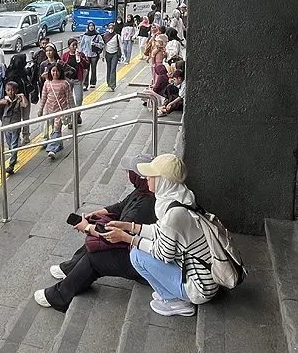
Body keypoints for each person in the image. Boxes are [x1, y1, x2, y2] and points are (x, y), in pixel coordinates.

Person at [34, 154, 160, 311]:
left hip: (144, 262)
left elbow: (115, 236)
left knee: (96, 257)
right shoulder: (143, 191)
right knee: (95, 240)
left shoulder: (146, 203)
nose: (127, 174)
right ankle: (71, 268)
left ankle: (59, 296)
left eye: (131, 172)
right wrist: (97, 214)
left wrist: (87, 227)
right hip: (138, 248)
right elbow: (121, 206)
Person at [100, 154, 218, 317]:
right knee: (140, 245)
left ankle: (175, 301)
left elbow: (164, 254)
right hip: (202, 274)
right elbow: (160, 231)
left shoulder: (174, 215)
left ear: (164, 181)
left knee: (136, 255)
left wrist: (127, 238)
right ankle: (171, 291)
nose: (147, 178)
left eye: (152, 175)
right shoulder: (181, 198)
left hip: (199, 287)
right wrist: (129, 227)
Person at [0, 80, 29, 175]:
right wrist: (2, 102)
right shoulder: (4, 99)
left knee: (14, 144)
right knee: (9, 143)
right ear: (6, 90)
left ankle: (11, 165)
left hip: (15, 124)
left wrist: (22, 96)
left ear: (16, 90)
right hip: (6, 124)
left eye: (13, 90)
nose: (11, 92)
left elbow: (25, 105)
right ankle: (13, 156)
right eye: (8, 90)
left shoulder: (18, 99)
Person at [39, 64, 75, 159]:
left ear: (61, 72)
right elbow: (44, 97)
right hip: (49, 110)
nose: (55, 73)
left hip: (60, 111)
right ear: (50, 72)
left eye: (57, 71)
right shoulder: (47, 83)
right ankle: (59, 144)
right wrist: (41, 109)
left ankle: (52, 149)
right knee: (54, 129)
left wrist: (73, 110)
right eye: (53, 71)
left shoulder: (64, 83)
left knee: (56, 129)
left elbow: (69, 98)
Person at [61, 38, 89, 125]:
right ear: (68, 46)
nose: (75, 47)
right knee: (69, 100)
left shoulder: (80, 54)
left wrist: (81, 58)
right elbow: (61, 66)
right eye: (73, 45)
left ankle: (77, 115)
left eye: (76, 45)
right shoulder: (65, 55)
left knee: (79, 99)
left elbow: (87, 65)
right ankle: (71, 120)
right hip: (68, 80)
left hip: (78, 79)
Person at [78, 21, 104, 88]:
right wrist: (81, 53)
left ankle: (93, 82)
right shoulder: (85, 35)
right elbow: (82, 45)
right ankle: (85, 84)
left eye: (92, 26)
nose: (91, 27)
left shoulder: (97, 35)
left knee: (93, 68)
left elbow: (102, 45)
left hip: (94, 55)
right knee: (86, 69)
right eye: (90, 26)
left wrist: (95, 44)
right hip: (86, 55)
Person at [103, 21, 123, 90]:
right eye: (110, 28)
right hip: (107, 54)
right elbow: (104, 46)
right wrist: (103, 55)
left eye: (112, 28)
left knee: (113, 69)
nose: (111, 29)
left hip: (115, 54)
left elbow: (121, 45)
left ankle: (113, 84)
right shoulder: (105, 36)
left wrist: (122, 55)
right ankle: (109, 82)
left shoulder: (117, 36)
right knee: (108, 68)